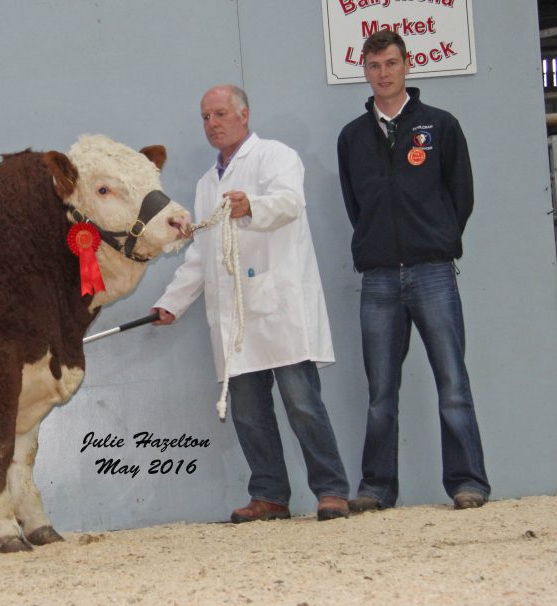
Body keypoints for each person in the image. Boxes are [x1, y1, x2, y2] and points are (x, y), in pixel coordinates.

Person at [152, 84, 350, 522]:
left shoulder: (276, 156)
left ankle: (331, 490)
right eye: (205, 117)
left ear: (244, 114)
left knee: (302, 403)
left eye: (220, 114)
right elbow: (200, 255)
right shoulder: (207, 185)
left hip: (278, 306)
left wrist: (250, 205)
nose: (212, 124)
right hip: (233, 317)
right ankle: (270, 496)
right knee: (247, 412)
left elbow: (289, 203)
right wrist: (171, 303)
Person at [337, 30, 490, 512]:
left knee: (452, 384)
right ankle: (378, 488)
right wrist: (378, 245)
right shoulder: (352, 137)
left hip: (433, 273)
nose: (383, 73)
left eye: (391, 63)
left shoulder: (439, 126)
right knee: (381, 390)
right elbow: (354, 205)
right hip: (379, 278)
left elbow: (460, 195)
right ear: (364, 70)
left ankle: (468, 483)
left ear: (407, 66)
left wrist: (437, 238)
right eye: (374, 65)